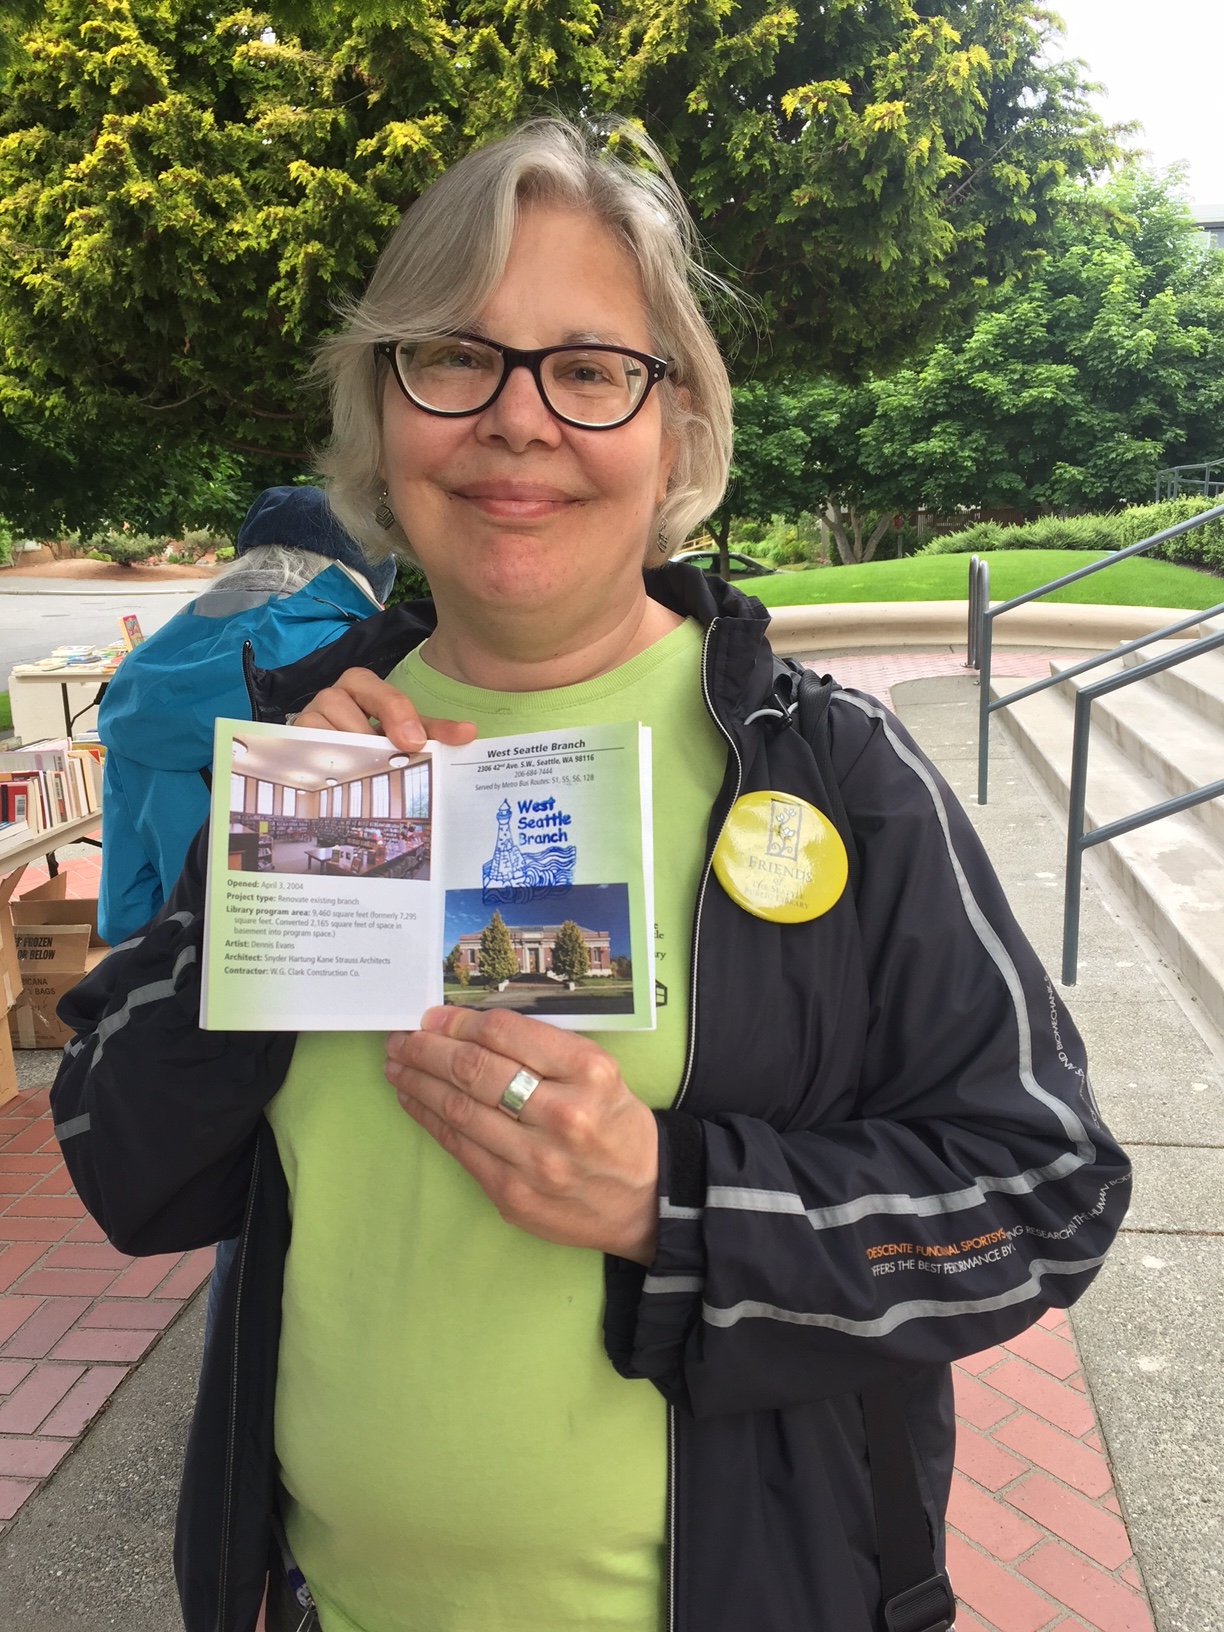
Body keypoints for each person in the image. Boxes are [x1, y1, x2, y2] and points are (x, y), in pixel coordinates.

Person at [50, 119, 1130, 1632]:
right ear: (384, 407)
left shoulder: (827, 772)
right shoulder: (313, 758)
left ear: (675, 428)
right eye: (454, 358)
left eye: (590, 367)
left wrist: (673, 1206)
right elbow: (119, 1157)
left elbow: (1045, 1192)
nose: (517, 421)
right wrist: (281, 883)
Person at [97, 485, 396, 946]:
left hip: (178, 968)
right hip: (322, 956)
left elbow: (125, 906)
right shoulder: (361, 662)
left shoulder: (140, 672)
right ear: (364, 578)